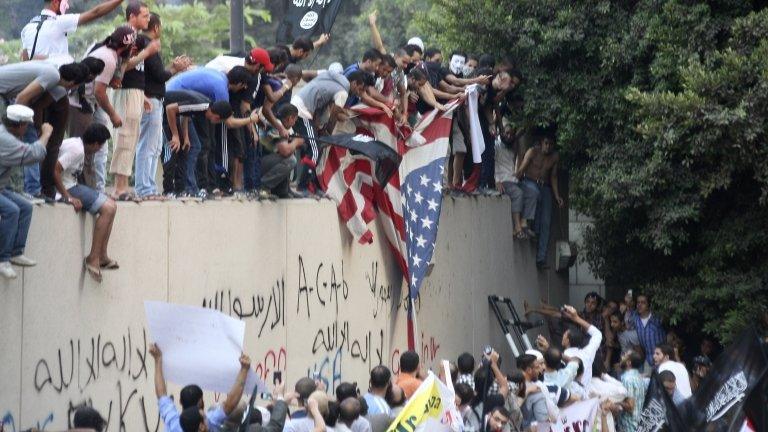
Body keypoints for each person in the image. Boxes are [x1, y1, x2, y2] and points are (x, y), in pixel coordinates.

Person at [166, 66, 256, 196]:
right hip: (171, 100)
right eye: (244, 85)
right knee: (200, 146)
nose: (245, 89)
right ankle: (190, 187)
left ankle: (193, 187)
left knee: (196, 145)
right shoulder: (220, 90)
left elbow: (186, 110)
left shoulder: (219, 76)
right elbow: (229, 123)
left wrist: (185, 134)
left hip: (179, 102)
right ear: (240, 83)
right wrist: (251, 119)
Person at [134, 12, 190, 199]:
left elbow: (156, 74)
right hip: (150, 100)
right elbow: (159, 75)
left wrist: (173, 67)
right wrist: (174, 68)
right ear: (156, 27)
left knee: (156, 146)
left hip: (155, 99)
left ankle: (148, 187)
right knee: (148, 146)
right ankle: (144, 189)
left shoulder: (145, 44)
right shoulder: (147, 44)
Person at [53, 123, 117, 282]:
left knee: (112, 205)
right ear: (95, 143)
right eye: (101, 146)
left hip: (72, 184)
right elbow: (55, 170)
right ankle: (93, 258)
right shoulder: (77, 150)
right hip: (66, 187)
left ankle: (102, 256)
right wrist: (67, 196)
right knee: (108, 209)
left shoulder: (78, 145)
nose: (99, 149)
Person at [290, 69, 368, 194]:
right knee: (315, 150)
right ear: (353, 83)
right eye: (359, 89)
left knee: (312, 149)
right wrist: (328, 133)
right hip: (302, 111)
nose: (359, 94)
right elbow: (334, 115)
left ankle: (312, 184)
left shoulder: (332, 76)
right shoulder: (343, 92)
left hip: (299, 106)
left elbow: (313, 82)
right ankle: (303, 186)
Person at [148, 343, 251, 432]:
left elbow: (162, 396)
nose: (206, 416)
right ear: (201, 427)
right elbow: (229, 406)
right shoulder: (210, 422)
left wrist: (158, 360)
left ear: (180, 401)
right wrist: (244, 370)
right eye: (204, 417)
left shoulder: (174, 424)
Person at [0, 105, 51, 279]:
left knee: (25, 207)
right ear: (20, 125)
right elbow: (33, 154)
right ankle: (3, 259)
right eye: (27, 126)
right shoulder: (5, 139)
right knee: (11, 210)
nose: (27, 130)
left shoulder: (6, 134)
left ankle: (15, 252)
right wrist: (46, 134)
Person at [161, 91, 236, 197]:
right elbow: (170, 109)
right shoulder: (201, 106)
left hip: (174, 114)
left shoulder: (205, 106)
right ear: (217, 117)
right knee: (172, 149)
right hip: (163, 109)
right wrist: (175, 135)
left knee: (185, 150)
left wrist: (185, 135)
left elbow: (185, 113)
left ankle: (180, 189)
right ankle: (167, 190)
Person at [20, 0, 125, 63]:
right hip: (53, 81)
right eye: (65, 2)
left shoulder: (27, 27)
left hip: (32, 81)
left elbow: (25, 58)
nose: (68, 6)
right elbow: (95, 13)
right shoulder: (59, 21)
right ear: (55, 2)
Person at [517, 135, 564, 269]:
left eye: (550, 144)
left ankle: (541, 258)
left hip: (546, 186)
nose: (548, 147)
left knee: (546, 222)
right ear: (541, 142)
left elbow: (553, 177)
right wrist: (515, 180)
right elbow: (522, 169)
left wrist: (557, 196)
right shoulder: (533, 152)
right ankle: (533, 230)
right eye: (546, 143)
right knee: (535, 194)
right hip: (530, 182)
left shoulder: (554, 157)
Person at [561, 304, 603, 389]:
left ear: (567, 340)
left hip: (570, 399)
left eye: (564, 335)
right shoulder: (587, 353)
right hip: (586, 397)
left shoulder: (563, 358)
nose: (562, 336)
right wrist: (576, 318)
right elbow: (597, 334)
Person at [629, 293, 666, 370]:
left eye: (643, 302)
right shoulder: (635, 319)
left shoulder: (657, 318)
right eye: (638, 302)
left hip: (662, 359)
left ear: (648, 305)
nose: (639, 305)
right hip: (648, 359)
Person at [517, 354, 548, 429]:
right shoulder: (536, 392)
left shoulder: (509, 386)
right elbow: (543, 420)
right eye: (537, 367)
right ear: (529, 370)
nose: (540, 370)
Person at [617, 350, 645, 432]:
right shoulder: (639, 377)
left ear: (629, 363)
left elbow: (630, 406)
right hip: (638, 424)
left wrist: (615, 401)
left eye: (624, 355)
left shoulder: (627, 379)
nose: (621, 357)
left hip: (629, 425)